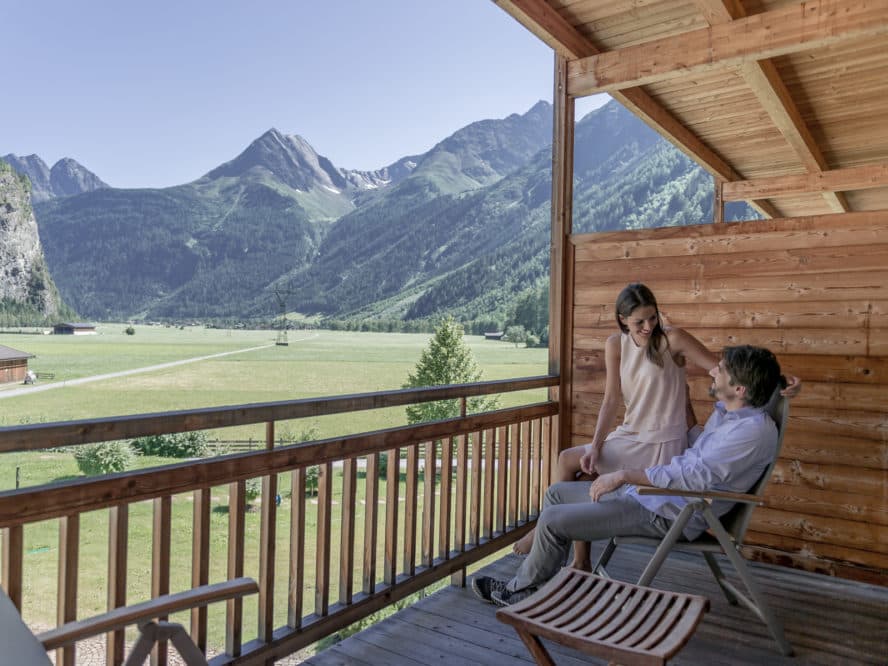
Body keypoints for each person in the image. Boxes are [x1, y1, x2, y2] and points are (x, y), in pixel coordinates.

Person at [512, 283, 799, 567]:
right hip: (631, 433)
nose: (648, 326)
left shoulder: (672, 339)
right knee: (577, 463)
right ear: (623, 319)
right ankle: (578, 558)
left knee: (579, 471)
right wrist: (596, 446)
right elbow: (611, 399)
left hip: (663, 442)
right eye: (640, 321)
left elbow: (726, 370)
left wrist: (777, 381)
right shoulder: (616, 344)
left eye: (653, 318)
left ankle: (548, 537)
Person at [474, 344, 785, 607]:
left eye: (722, 370)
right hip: (655, 498)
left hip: (668, 511)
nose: (714, 371)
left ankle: (520, 591)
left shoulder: (751, 432)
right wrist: (686, 404)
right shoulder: (734, 416)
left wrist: (624, 475)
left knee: (554, 519)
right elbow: (699, 450)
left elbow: (692, 476)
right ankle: (552, 572)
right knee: (556, 494)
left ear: (740, 389)